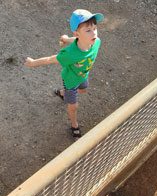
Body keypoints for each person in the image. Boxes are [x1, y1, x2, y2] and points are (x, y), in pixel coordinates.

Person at [24, 9, 104, 138]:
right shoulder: (69, 54)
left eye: (95, 28)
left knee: (83, 90)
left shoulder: (96, 42)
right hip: (71, 80)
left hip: (83, 75)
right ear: (77, 33)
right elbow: (51, 59)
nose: (94, 33)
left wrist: (67, 39)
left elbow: (78, 40)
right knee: (73, 106)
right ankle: (74, 125)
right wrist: (33, 63)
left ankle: (62, 93)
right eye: (88, 30)